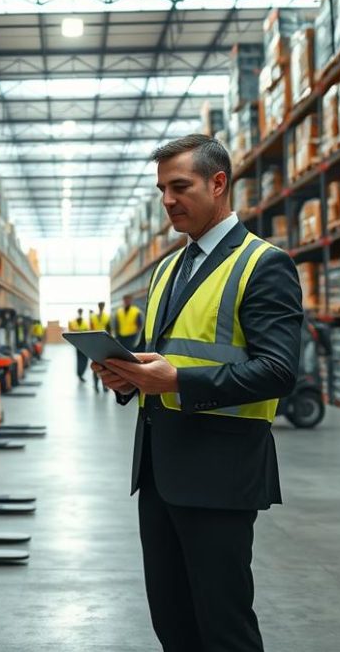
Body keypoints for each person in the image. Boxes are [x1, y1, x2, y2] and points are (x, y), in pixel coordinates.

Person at [92, 134, 302, 652]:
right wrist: (127, 378)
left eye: (180, 186)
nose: (168, 200)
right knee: (172, 619)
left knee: (222, 624)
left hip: (219, 472)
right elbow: (161, 355)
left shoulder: (263, 264)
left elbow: (277, 371)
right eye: (162, 189)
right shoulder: (167, 268)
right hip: (160, 470)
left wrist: (179, 382)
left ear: (218, 183)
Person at [88, 301, 111, 392]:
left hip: (104, 343)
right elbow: (90, 330)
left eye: (102, 305)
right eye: (100, 305)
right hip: (94, 342)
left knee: (104, 366)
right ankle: (96, 385)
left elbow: (109, 330)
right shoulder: (93, 317)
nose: (101, 307)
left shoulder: (107, 317)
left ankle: (104, 386)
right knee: (95, 365)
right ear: (98, 306)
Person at [68, 308, 90, 381]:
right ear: (78, 312)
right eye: (79, 311)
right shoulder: (73, 322)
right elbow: (71, 331)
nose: (80, 312)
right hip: (77, 343)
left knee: (85, 359)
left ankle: (80, 373)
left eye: (81, 311)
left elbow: (88, 331)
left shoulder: (85, 322)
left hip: (85, 343)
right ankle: (79, 374)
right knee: (80, 359)